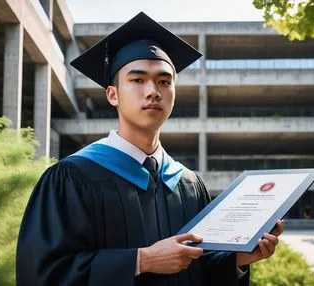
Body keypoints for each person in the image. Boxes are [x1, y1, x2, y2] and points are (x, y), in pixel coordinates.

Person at [16, 12, 283, 286]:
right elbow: (43, 275)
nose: (153, 91)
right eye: (138, 80)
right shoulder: (72, 177)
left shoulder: (188, 184)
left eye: (164, 81)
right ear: (113, 95)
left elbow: (200, 266)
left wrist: (236, 261)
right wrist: (141, 260)